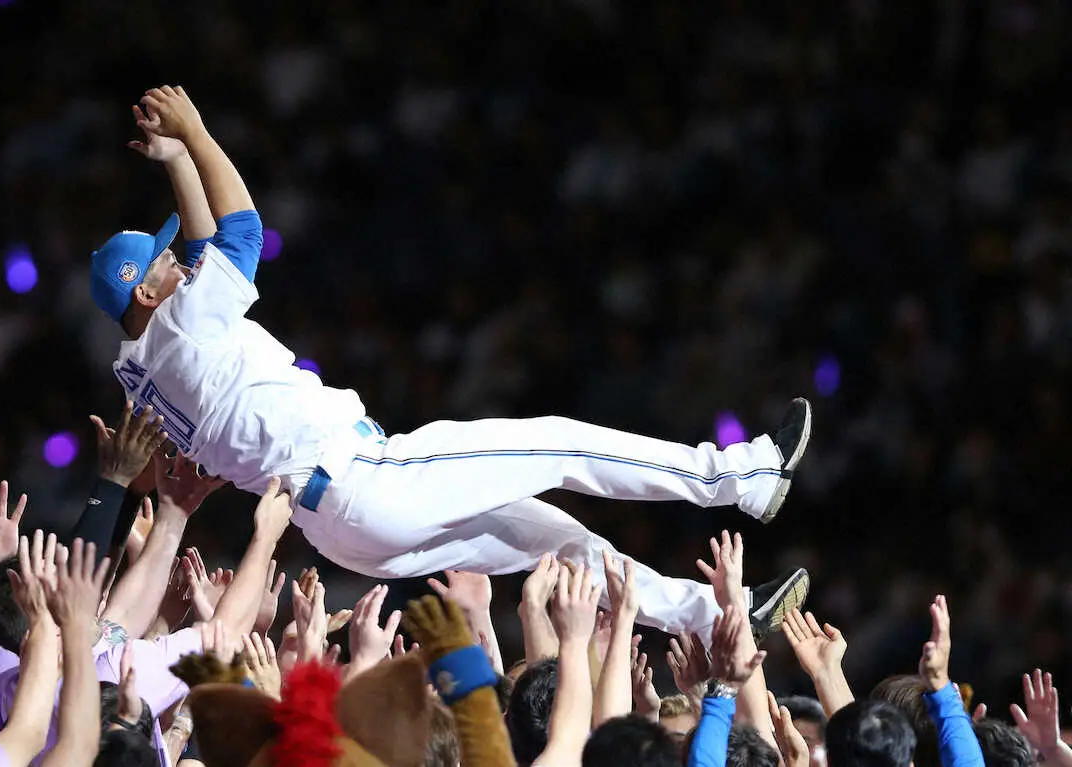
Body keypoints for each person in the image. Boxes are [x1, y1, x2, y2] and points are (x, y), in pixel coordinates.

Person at [88, 84, 813, 636]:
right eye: (164, 263)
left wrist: (180, 158)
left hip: (340, 526)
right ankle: (743, 477)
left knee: (563, 544)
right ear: (148, 288)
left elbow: (201, 244)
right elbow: (241, 234)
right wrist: (200, 134)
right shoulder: (181, 321)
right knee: (559, 441)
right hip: (360, 480)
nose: (180, 264)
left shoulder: (139, 360)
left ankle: (724, 616)